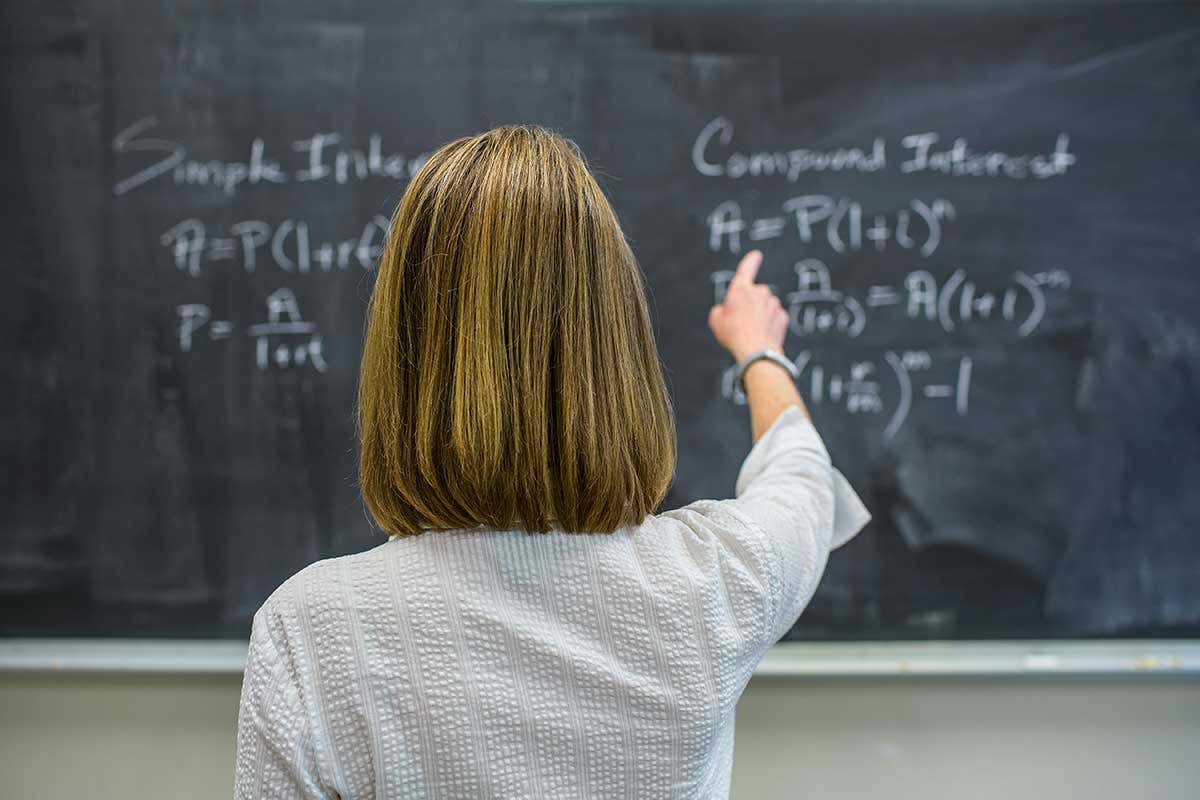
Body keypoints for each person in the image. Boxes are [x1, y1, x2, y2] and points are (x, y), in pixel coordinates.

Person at [233, 125, 870, 800]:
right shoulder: (714, 584)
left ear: (403, 347)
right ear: (615, 342)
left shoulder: (313, 628)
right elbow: (799, 477)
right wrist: (757, 348)